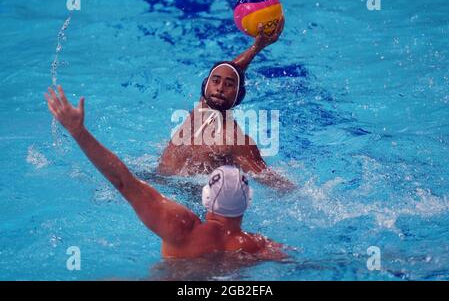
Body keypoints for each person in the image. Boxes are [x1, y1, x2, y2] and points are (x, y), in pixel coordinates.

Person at [45, 86, 286, 260]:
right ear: (248, 201)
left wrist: (78, 132)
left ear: (205, 197)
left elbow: (123, 181)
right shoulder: (257, 246)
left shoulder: (180, 227)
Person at [158, 18, 295, 191]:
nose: (220, 88)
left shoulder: (237, 141)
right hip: (157, 183)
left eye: (229, 85)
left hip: (193, 203)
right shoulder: (201, 109)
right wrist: (257, 47)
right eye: (216, 81)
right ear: (206, 85)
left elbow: (268, 178)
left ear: (238, 95)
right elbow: (230, 69)